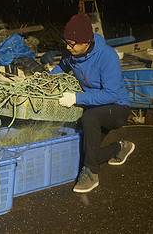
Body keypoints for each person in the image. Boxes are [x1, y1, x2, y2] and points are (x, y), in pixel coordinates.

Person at [50, 12, 135, 193]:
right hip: (94, 105)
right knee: (86, 154)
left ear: (86, 42)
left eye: (71, 44)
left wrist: (76, 98)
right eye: (66, 42)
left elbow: (111, 94)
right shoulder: (72, 53)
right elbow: (62, 67)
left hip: (117, 107)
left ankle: (91, 174)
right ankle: (119, 148)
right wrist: (47, 79)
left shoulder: (107, 56)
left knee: (89, 118)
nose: (67, 47)